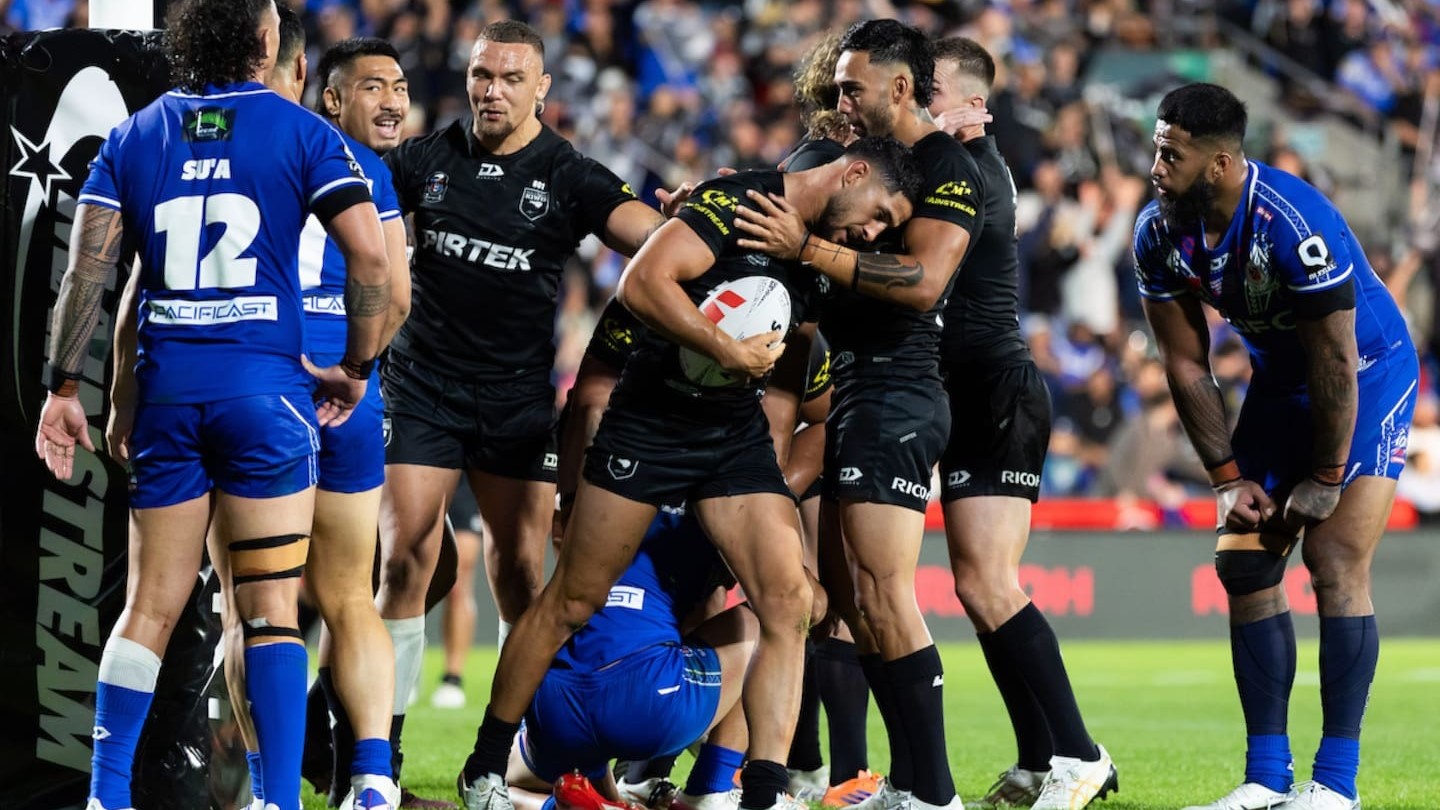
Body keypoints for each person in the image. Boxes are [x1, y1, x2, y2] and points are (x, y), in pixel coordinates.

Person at [458, 137, 922, 810]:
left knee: (788, 604)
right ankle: (485, 767)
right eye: (879, 214)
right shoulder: (731, 202)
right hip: (648, 426)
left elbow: (794, 360)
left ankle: (759, 793)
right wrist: (723, 350)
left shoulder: (815, 257)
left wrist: (774, 457)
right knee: (572, 600)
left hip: (731, 441)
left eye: (884, 231)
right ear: (853, 173)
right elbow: (640, 283)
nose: (873, 233)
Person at [35, 3, 389, 810]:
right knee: (268, 609)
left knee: (147, 606)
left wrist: (65, 389)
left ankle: (106, 796)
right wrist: (357, 366)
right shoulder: (303, 134)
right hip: (265, 395)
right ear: (268, 43)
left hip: (169, 393)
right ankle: (278, 801)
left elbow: (88, 275)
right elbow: (370, 253)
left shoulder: (136, 133)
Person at [377, 22, 668, 796]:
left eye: (510, 77)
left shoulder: (569, 175)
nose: (491, 90)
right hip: (422, 390)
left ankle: (520, 758)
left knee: (518, 578)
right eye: (481, 74)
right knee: (407, 557)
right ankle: (378, 763)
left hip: (515, 406)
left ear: (543, 87)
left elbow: (649, 239)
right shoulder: (426, 160)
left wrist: (692, 228)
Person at [1134, 83, 1419, 810]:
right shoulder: (1159, 232)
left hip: (1366, 371)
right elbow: (1186, 364)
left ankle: (1337, 785)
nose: (1156, 168)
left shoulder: (1295, 223)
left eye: (1172, 155)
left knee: (1332, 558)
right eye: (1156, 150)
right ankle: (1266, 778)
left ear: (1222, 164)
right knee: (1244, 563)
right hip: (1281, 381)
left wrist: (1325, 475)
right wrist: (1227, 478)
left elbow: (1334, 360)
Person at [732, 20, 982, 810]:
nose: (838, 100)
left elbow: (922, 281)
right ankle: (902, 782)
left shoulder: (947, 166)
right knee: (855, 606)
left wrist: (810, 251)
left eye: (852, 87)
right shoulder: (851, 161)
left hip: (898, 391)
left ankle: (931, 792)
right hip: (855, 391)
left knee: (884, 593)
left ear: (900, 89)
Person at [927, 37, 1116, 810]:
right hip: (973, 391)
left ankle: (1080, 753)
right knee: (976, 586)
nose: (915, 99)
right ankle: (1041, 755)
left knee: (993, 583)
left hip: (1000, 389)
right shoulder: (962, 166)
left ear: (975, 104)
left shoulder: (973, 172)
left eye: (929, 88)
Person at [506, 507, 755, 810]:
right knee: (765, 624)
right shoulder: (701, 514)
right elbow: (711, 611)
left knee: (496, 778)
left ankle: (560, 805)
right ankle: (709, 790)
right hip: (647, 700)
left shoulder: (594, 511)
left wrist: (613, 801)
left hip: (556, 707)